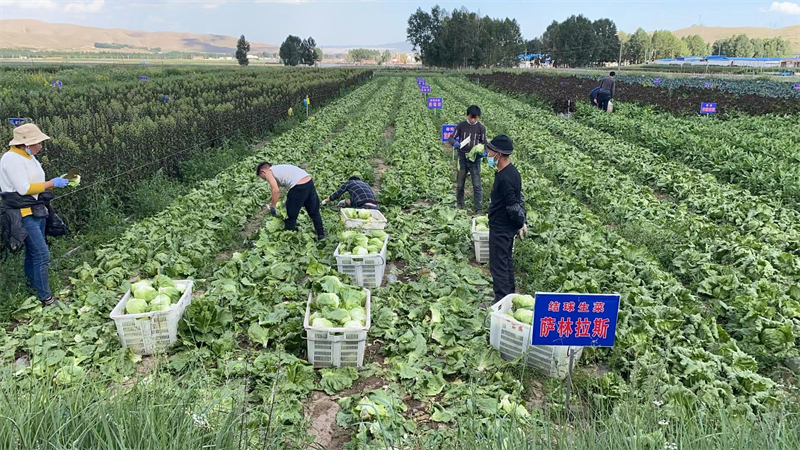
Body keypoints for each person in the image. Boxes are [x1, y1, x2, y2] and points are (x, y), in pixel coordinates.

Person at [0, 124, 69, 306]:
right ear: (26, 143)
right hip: (23, 214)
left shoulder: (29, 157)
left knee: (33, 254)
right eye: (38, 142)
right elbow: (23, 189)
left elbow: (36, 182)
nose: (41, 146)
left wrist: (55, 182)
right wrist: (51, 183)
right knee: (42, 255)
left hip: (36, 210)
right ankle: (47, 299)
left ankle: (33, 289)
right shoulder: (11, 159)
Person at [485, 135, 527, 303]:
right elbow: (519, 199)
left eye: (490, 151)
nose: (488, 153)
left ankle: (502, 300)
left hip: (501, 228)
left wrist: (520, 223)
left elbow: (512, 204)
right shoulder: (511, 171)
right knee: (506, 262)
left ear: (499, 154)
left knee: (499, 266)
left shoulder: (505, 178)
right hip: (505, 227)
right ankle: (509, 297)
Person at [256, 162, 325, 240]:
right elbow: (274, 190)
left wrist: (273, 207)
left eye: (264, 178)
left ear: (263, 171)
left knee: (290, 214)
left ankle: (288, 239)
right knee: (314, 211)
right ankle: (321, 234)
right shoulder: (279, 168)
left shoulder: (269, 172)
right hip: (309, 182)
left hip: (298, 186)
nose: (266, 180)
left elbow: (276, 190)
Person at [448, 105, 487, 214]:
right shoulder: (461, 126)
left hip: (475, 160)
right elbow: (451, 137)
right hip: (462, 158)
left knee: (477, 184)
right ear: (467, 115)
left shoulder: (481, 128)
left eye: (476, 118)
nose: (473, 120)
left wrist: (484, 152)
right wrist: (454, 143)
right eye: (471, 117)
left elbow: (484, 142)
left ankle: (478, 208)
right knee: (460, 183)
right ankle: (460, 204)